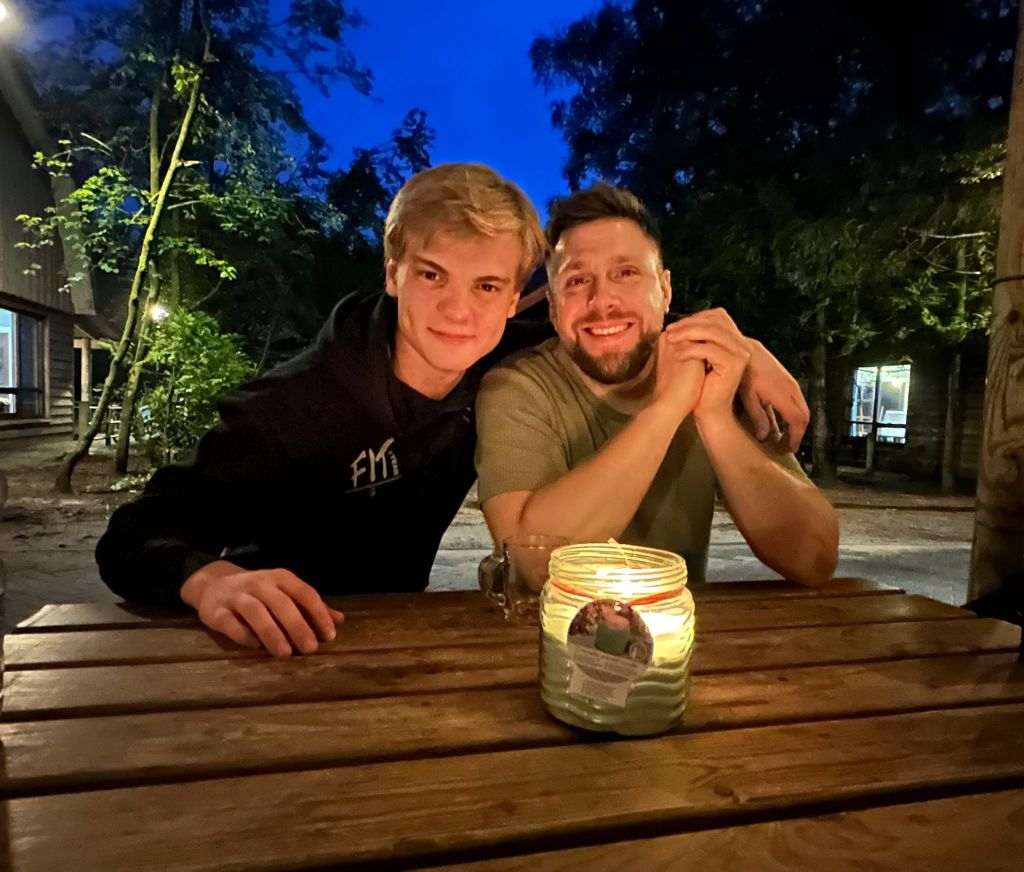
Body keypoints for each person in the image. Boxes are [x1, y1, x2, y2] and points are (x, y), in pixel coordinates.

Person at [97, 165, 812, 658]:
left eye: (487, 286)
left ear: (516, 299)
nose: (458, 311)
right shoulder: (293, 405)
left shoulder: (496, 352)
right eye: (433, 275)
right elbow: (132, 534)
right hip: (272, 641)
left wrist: (745, 349)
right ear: (393, 272)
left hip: (397, 641)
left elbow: (613, 323)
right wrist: (212, 581)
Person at [475, 182, 838, 588]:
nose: (602, 300)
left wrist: (715, 418)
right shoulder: (518, 387)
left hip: (678, 622)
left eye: (625, 273)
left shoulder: (717, 373)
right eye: (576, 281)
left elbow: (814, 558)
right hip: (550, 624)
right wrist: (665, 410)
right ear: (553, 308)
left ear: (664, 291)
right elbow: (532, 564)